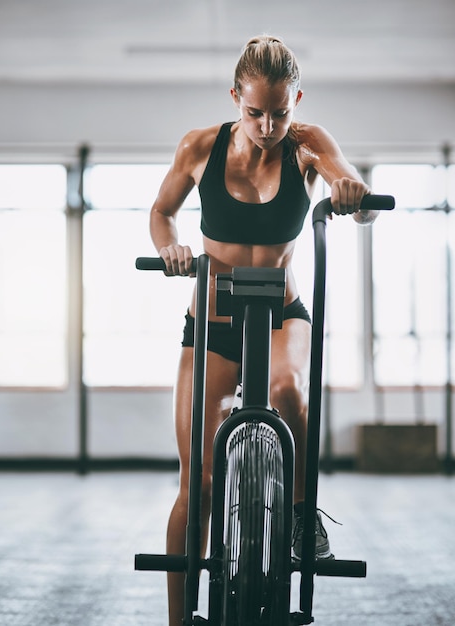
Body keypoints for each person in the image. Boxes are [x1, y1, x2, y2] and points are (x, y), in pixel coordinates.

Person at [148, 34, 376, 626]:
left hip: (281, 314)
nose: (269, 124)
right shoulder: (200, 147)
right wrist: (169, 247)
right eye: (255, 112)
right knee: (196, 482)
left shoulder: (308, 145)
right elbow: (161, 211)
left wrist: (353, 195)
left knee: (286, 392)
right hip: (212, 323)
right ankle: (178, 621)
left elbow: (360, 193)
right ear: (235, 98)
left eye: (281, 111)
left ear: (296, 99)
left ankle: (301, 517)